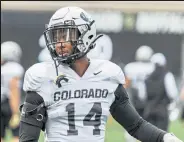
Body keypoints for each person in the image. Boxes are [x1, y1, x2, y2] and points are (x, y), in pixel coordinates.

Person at [19, 6, 183, 142]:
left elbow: (135, 125)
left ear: (86, 34)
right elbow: (28, 139)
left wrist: (164, 138)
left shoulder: (107, 75)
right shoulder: (42, 77)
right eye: (56, 36)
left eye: (66, 35)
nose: (59, 43)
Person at [123, 45, 155, 142]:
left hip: (134, 100)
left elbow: (126, 84)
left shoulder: (131, 67)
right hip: (149, 101)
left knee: (132, 125)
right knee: (149, 126)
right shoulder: (152, 67)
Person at [143, 53, 179, 131]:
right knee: (162, 136)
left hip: (149, 111)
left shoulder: (147, 77)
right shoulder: (167, 75)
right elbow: (172, 93)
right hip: (162, 111)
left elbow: (143, 95)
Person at [1, 41, 24, 142]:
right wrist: (16, 112)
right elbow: (14, 89)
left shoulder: (2, 68)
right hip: (8, 103)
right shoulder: (16, 69)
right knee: (16, 134)